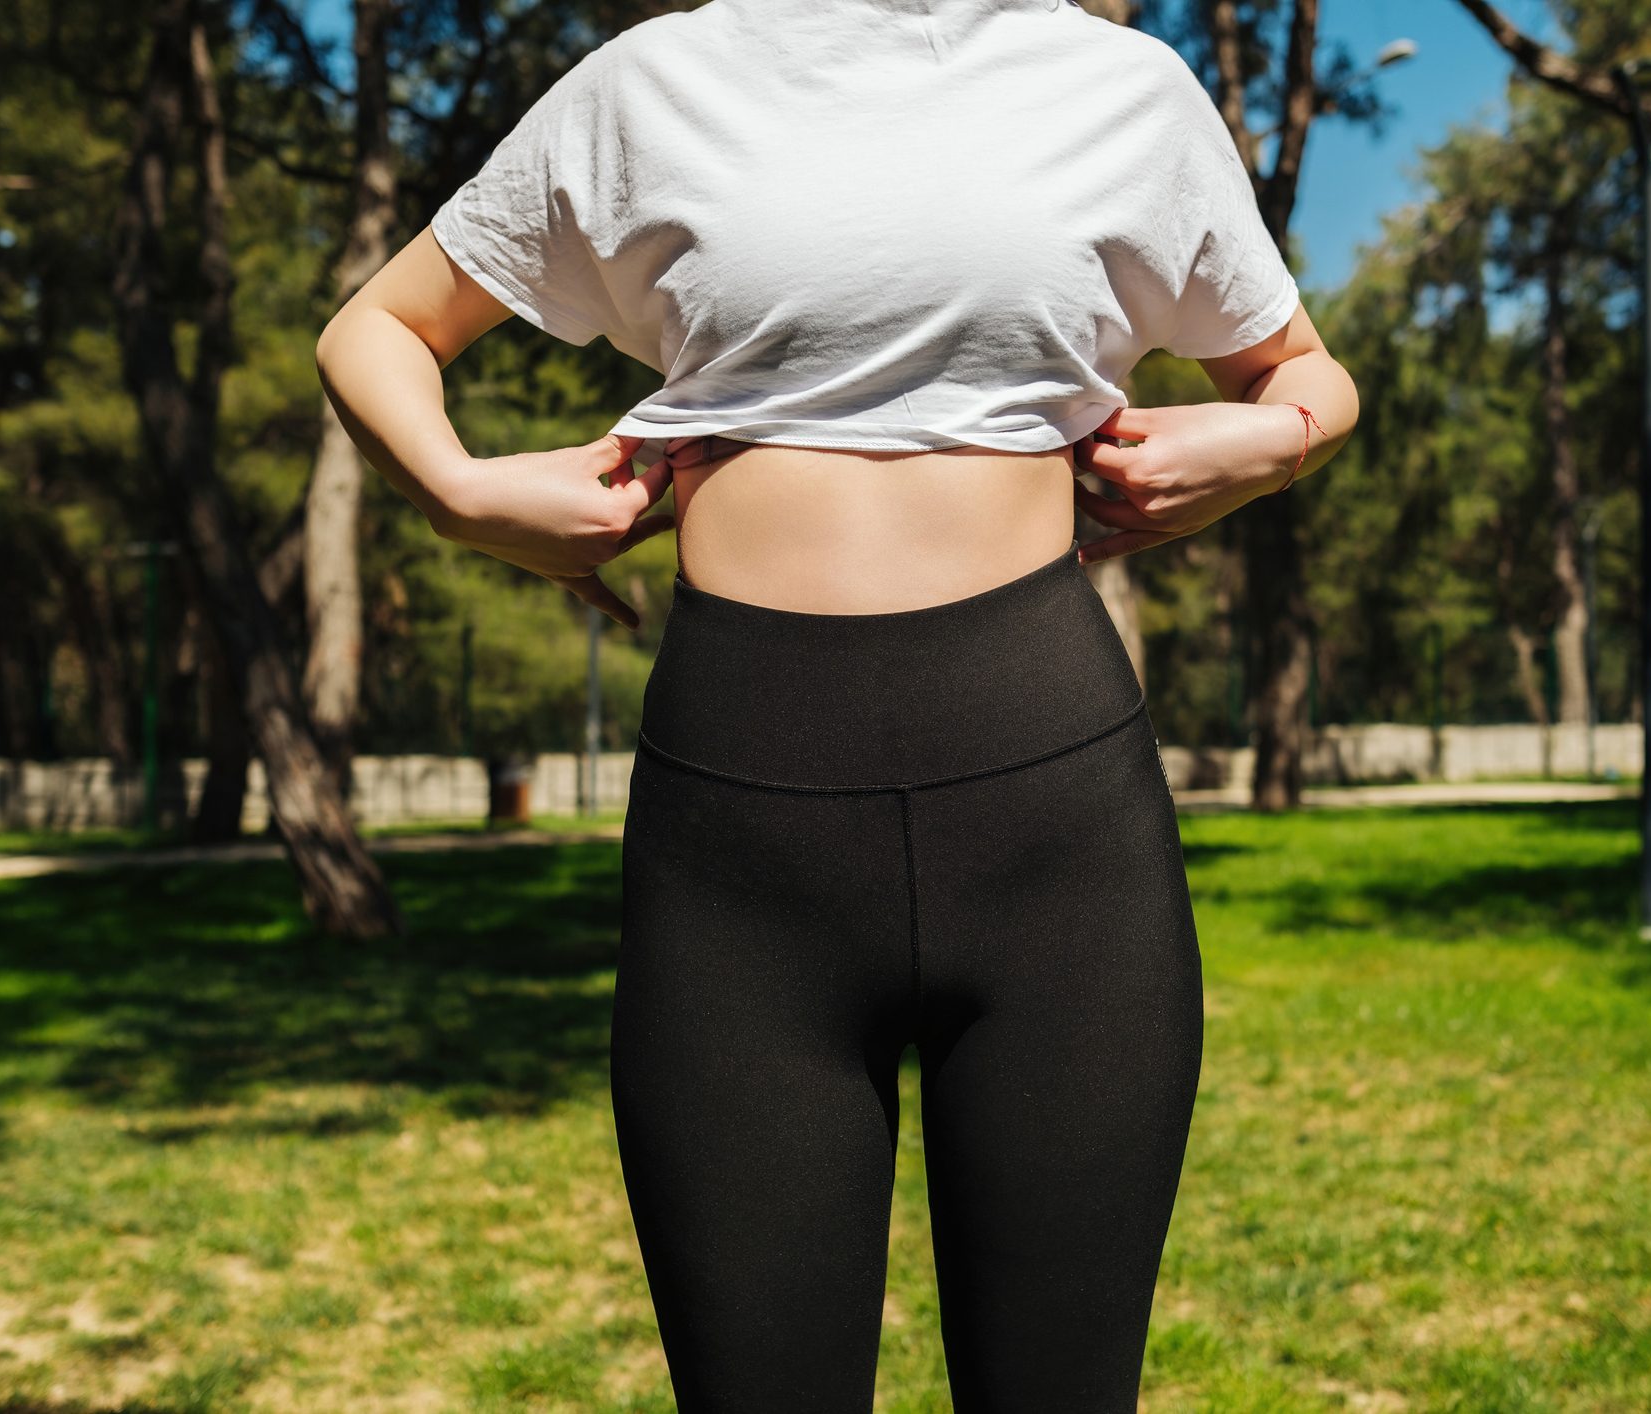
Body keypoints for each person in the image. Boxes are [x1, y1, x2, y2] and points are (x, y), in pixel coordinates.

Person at [315, 0, 1359, 1406]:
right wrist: (459, 493)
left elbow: (1306, 371)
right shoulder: (652, 84)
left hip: (1055, 818)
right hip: (739, 838)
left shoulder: (1121, 86)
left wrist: (1275, 438)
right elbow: (378, 328)